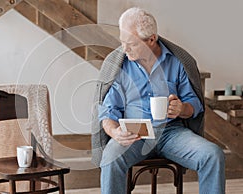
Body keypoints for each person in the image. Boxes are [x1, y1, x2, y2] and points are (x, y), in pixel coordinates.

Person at [92, 7, 225, 194]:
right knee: (111, 157)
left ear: (152, 39)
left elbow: (195, 105)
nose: (124, 49)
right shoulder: (120, 66)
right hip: (135, 133)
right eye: (122, 42)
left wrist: (182, 108)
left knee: (213, 155)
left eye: (131, 43)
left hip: (172, 133)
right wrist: (114, 132)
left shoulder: (178, 62)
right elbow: (107, 111)